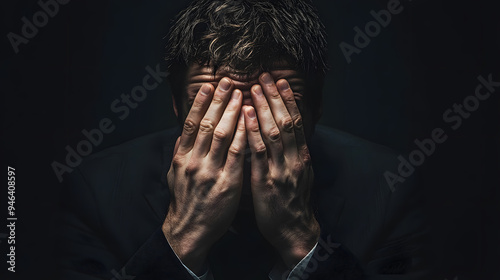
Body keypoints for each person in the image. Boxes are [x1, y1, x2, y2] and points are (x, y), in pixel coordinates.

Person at [58, 0, 432, 279]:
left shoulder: (391, 188)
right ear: (176, 106)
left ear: (317, 109)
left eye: (275, 109)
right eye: (217, 112)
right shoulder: (96, 192)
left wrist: (302, 240)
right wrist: (181, 238)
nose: (245, 138)